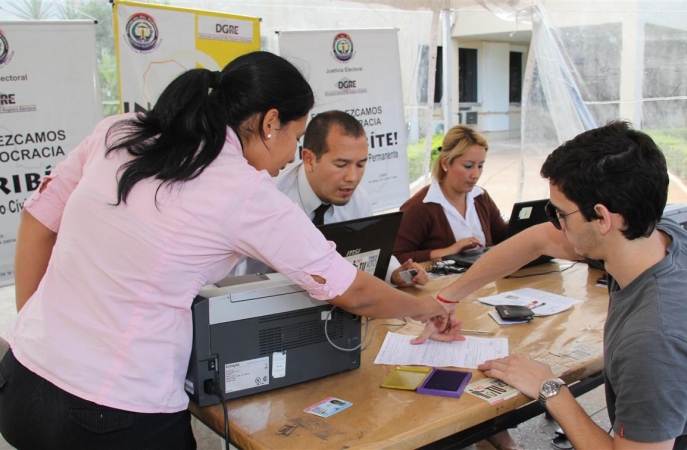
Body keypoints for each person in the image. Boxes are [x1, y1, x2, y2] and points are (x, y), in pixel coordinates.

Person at [0, 51, 449, 449]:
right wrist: (426, 307)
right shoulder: (242, 190)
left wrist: (40, 328)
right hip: (116, 412)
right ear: (270, 122)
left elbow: (39, 221)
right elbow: (351, 291)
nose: (292, 156)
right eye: (295, 137)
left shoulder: (119, 131)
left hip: (21, 382)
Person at [418, 121, 687, 449]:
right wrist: (448, 297)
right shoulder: (665, 238)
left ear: (602, 218)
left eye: (559, 213)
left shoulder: (655, 339)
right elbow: (537, 240)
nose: (555, 224)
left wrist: (551, 389)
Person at [236, 110, 428, 287]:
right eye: (341, 164)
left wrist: (396, 273)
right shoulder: (268, 197)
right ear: (309, 159)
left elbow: (370, 252)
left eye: (360, 165)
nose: (352, 177)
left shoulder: (358, 198)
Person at [393, 125, 507, 263]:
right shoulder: (419, 207)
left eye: (480, 165)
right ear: (445, 163)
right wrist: (448, 251)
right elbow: (396, 258)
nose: (475, 174)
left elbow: (504, 237)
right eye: (468, 166)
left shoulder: (481, 197)